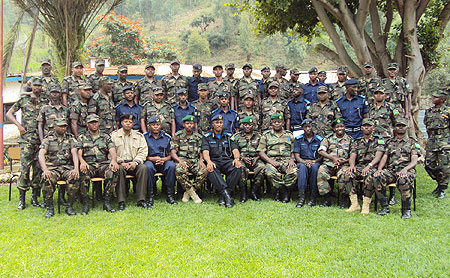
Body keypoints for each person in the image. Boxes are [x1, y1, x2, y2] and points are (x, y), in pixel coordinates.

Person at [6, 78, 45, 209]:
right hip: (27, 141)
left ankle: (35, 198)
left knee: (38, 169)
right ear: (31, 86)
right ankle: (22, 199)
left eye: (39, 86)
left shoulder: (45, 102)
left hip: (40, 140)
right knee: (24, 169)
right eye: (35, 85)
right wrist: (19, 126)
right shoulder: (24, 100)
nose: (37, 88)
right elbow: (9, 113)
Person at [373, 118, 420, 219]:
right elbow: (385, 157)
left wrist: (405, 169)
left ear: (407, 128)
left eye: (403, 126)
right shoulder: (390, 142)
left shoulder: (412, 142)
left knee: (403, 179)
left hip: (406, 170)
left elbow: (414, 161)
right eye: (398, 126)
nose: (400, 128)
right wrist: (380, 169)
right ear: (395, 128)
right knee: (377, 177)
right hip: (392, 171)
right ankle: (384, 207)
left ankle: (406, 210)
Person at [38, 119, 79, 218]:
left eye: (64, 126)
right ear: (55, 127)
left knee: (74, 177)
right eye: (60, 126)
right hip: (52, 168)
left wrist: (76, 168)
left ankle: (69, 206)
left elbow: (74, 153)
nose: (63, 128)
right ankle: (50, 208)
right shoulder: (48, 139)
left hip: (66, 168)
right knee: (47, 178)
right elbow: (41, 154)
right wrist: (45, 169)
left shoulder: (70, 138)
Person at [78, 114, 119, 213]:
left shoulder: (105, 136)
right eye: (91, 123)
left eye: (95, 122)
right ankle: (86, 203)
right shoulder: (82, 137)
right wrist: (82, 161)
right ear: (87, 124)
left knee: (113, 171)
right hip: (89, 165)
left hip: (102, 164)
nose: (94, 124)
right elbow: (78, 152)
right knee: (83, 173)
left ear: (99, 123)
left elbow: (112, 150)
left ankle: (107, 201)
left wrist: (113, 160)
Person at [343, 119, 385, 215]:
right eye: (365, 126)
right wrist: (352, 166)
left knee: (370, 175)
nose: (366, 128)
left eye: (369, 126)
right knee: (347, 174)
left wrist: (370, 165)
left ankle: (366, 205)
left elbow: (379, 156)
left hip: (373, 167)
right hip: (360, 166)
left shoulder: (378, 141)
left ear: (373, 128)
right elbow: (353, 155)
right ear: (361, 128)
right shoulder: (357, 142)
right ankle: (355, 204)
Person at [202, 114, 242, 208]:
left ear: (223, 123)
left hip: (227, 160)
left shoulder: (229, 136)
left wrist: (236, 159)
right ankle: (227, 195)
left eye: (220, 122)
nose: (219, 125)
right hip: (214, 161)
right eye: (217, 123)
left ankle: (224, 194)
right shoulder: (207, 137)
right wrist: (208, 161)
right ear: (213, 124)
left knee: (237, 167)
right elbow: (205, 151)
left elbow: (235, 150)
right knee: (211, 169)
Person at [111, 114, 149, 210]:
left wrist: (135, 162)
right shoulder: (114, 136)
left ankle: (141, 200)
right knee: (118, 169)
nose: (128, 124)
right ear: (121, 123)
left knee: (143, 168)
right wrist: (120, 162)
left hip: (134, 162)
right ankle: (121, 201)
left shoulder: (139, 136)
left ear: (133, 124)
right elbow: (111, 152)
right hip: (121, 163)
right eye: (125, 122)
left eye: (130, 122)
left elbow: (143, 151)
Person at [258, 114, 297, 203]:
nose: (277, 124)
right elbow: (260, 151)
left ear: (283, 123)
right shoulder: (266, 135)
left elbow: (293, 151)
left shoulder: (289, 135)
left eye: (279, 122)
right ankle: (282, 191)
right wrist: (270, 161)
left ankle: (285, 190)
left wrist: (292, 159)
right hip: (272, 160)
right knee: (269, 173)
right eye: (274, 122)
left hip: (286, 161)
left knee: (294, 172)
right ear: (271, 123)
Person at [171, 115, 207, 204]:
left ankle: (189, 192)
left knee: (204, 171)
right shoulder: (178, 135)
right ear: (184, 124)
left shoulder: (198, 137)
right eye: (187, 123)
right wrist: (179, 161)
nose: (189, 125)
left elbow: (201, 151)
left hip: (195, 160)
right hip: (182, 160)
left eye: (191, 123)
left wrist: (201, 160)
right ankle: (193, 194)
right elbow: (173, 152)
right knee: (179, 170)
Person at [316, 118, 352, 207]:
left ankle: (344, 199)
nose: (340, 128)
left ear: (345, 127)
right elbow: (321, 151)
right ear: (334, 129)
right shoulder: (328, 138)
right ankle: (327, 199)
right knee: (321, 171)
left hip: (344, 164)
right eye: (337, 127)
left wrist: (342, 161)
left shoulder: (350, 140)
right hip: (329, 164)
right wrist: (332, 158)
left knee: (344, 175)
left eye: (341, 126)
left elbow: (353, 155)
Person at [144, 116, 177, 205]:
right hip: (150, 160)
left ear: (161, 125)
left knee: (171, 166)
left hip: (164, 161)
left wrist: (164, 159)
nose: (155, 127)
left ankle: (170, 195)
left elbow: (171, 153)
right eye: (153, 125)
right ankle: (150, 195)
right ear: (149, 126)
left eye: (158, 125)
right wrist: (151, 159)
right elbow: (141, 153)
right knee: (147, 167)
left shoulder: (167, 137)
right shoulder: (144, 137)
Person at [424, 90, 450, 199]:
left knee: (445, 166)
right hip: (432, 141)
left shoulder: (447, 111)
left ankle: (442, 188)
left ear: (442, 99)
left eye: (436, 97)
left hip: (444, 141)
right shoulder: (429, 111)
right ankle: (439, 182)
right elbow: (426, 124)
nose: (433, 99)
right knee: (428, 165)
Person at [234, 116, 265, 202]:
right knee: (240, 168)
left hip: (256, 158)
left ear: (253, 125)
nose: (247, 127)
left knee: (262, 168)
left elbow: (264, 149)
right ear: (242, 125)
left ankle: (254, 191)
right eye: (245, 125)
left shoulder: (260, 136)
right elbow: (233, 150)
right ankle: (243, 192)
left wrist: (257, 157)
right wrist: (242, 158)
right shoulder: (236, 137)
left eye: (250, 125)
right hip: (242, 159)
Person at [293, 119, 323, 208]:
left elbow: (322, 155)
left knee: (315, 168)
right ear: (302, 128)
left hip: (315, 162)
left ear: (312, 127)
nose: (308, 129)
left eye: (309, 126)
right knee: (301, 168)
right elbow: (297, 156)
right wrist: (305, 162)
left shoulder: (319, 140)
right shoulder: (298, 139)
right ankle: (301, 198)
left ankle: (313, 197)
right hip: (302, 161)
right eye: (305, 127)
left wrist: (314, 162)